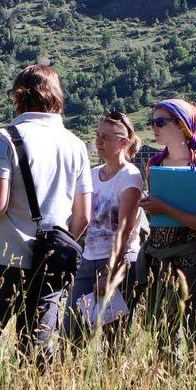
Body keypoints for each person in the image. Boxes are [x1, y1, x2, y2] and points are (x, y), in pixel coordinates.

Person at [0, 65, 91, 377]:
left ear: (18, 97)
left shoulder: (5, 138)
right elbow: (83, 217)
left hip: (3, 258)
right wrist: (58, 246)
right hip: (51, 266)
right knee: (37, 353)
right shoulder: (76, 145)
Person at [137, 98, 196, 365]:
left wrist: (164, 207)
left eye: (160, 122)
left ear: (181, 126)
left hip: (194, 262)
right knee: (163, 338)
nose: (154, 127)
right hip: (160, 261)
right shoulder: (154, 164)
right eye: (152, 122)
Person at [63, 111, 144, 351]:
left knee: (114, 340)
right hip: (88, 261)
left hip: (119, 264)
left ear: (123, 142)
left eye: (106, 137)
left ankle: (113, 384)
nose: (99, 142)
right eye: (98, 135)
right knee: (71, 333)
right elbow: (80, 218)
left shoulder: (130, 177)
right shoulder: (91, 175)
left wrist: (109, 273)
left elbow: (125, 230)